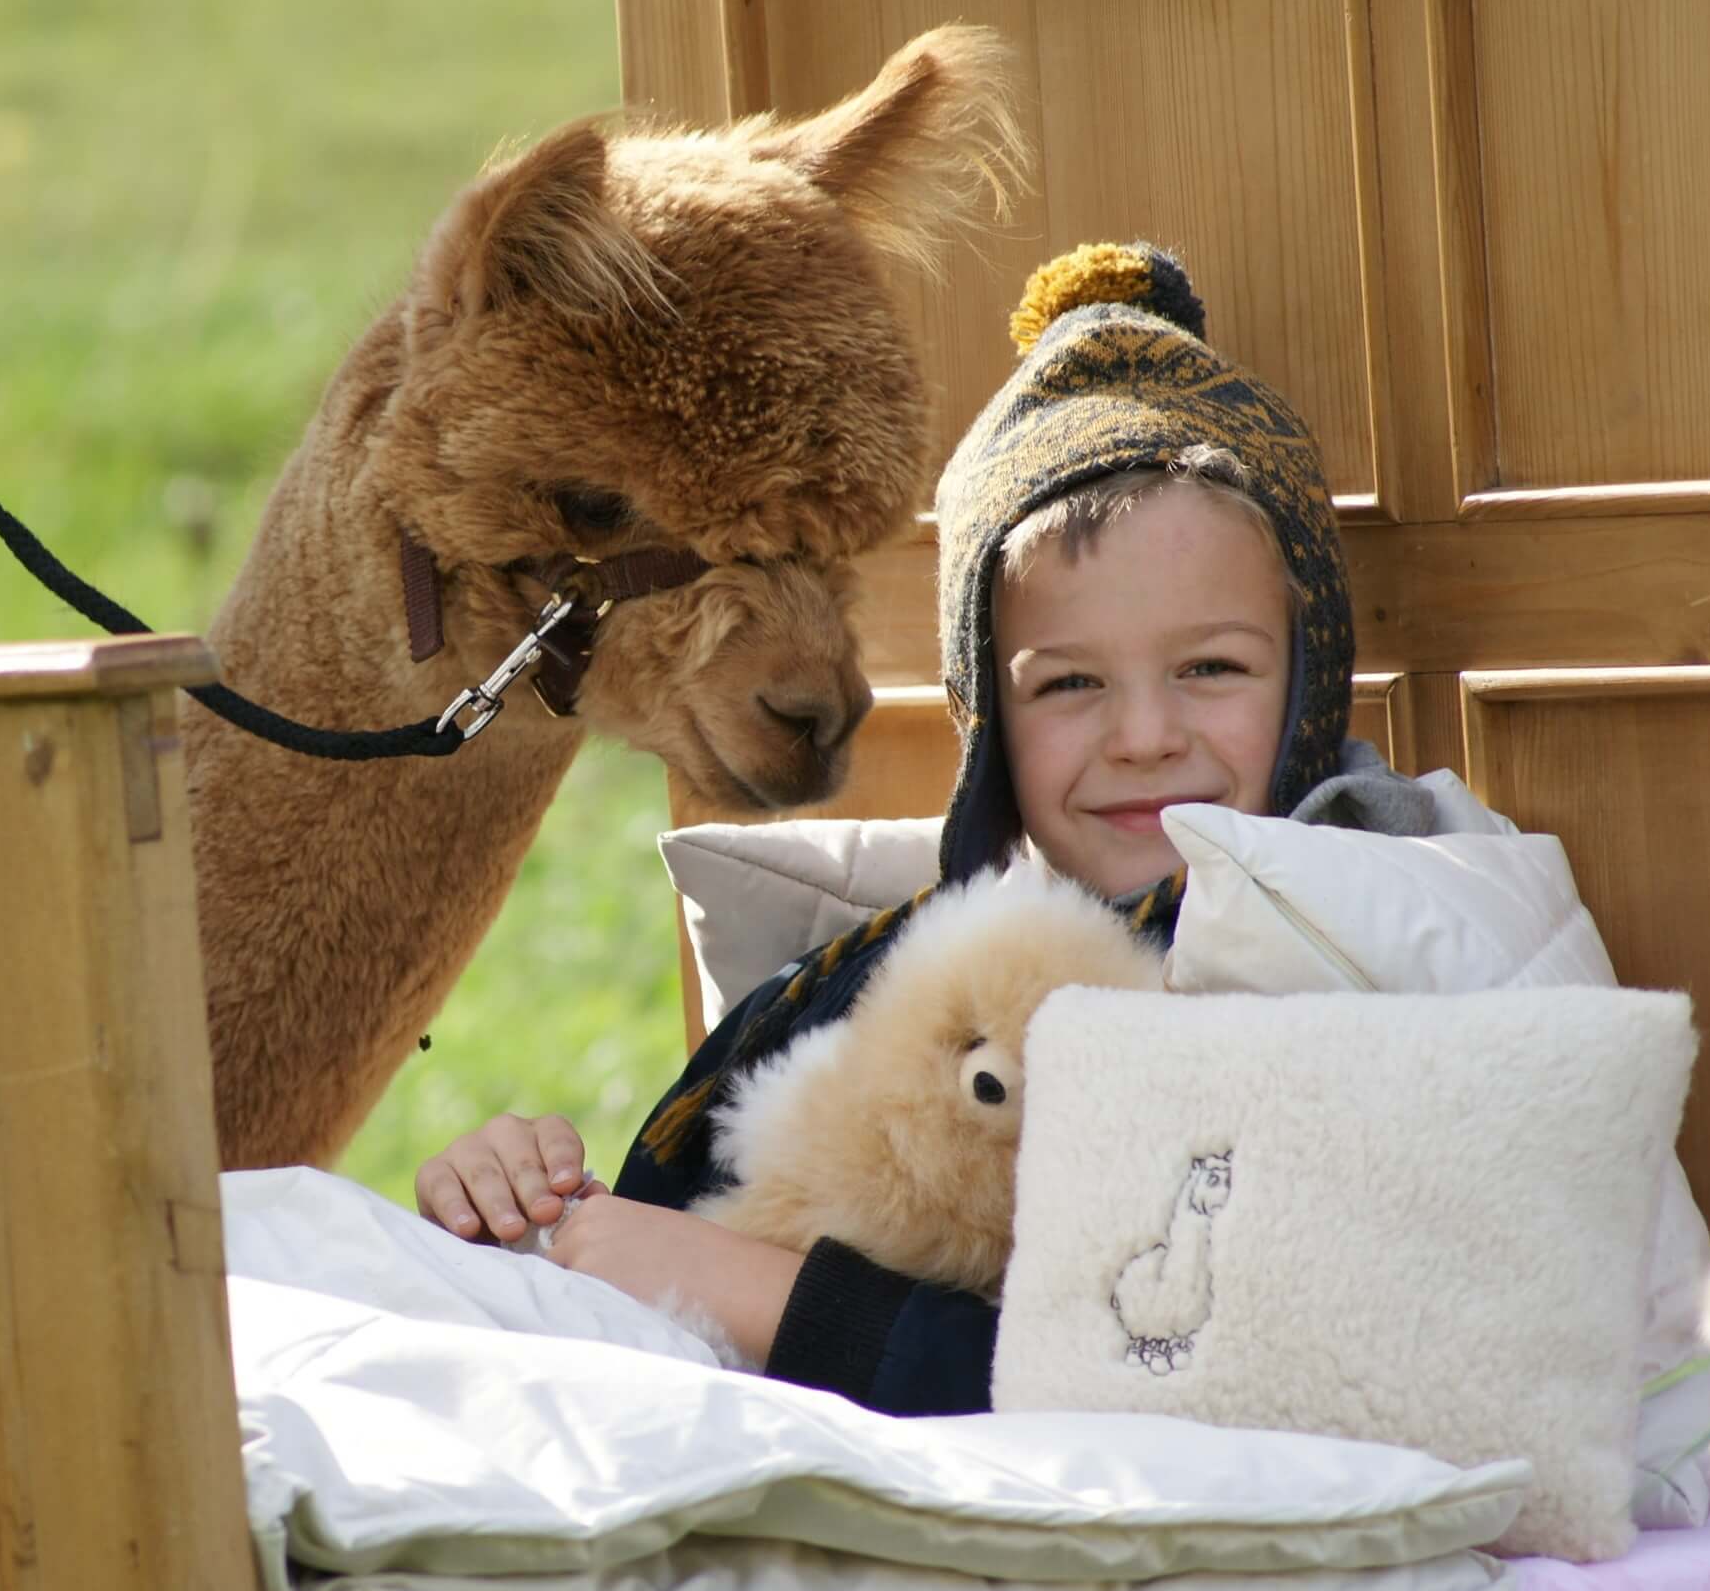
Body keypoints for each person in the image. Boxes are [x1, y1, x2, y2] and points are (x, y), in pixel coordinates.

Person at [414, 241, 1443, 1413]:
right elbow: (655, 1258)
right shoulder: (859, 988)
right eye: (1067, 685)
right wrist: (517, 1213)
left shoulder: (1347, 982)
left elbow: (1236, 1374)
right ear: (986, 721)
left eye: (1211, 667)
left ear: (1310, 686)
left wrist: (773, 1298)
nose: (1145, 734)